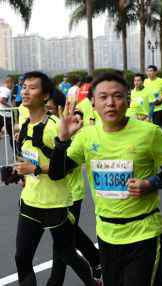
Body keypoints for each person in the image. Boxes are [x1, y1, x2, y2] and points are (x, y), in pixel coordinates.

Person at [48, 72, 162, 286]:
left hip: (144, 232)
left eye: (117, 96)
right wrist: (62, 141)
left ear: (128, 100)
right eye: (103, 97)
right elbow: (57, 173)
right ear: (92, 103)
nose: (110, 103)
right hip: (106, 234)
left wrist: (151, 184)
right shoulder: (86, 136)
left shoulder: (149, 133)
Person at [13, 71, 99, 286]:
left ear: (45, 96)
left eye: (32, 87)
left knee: (67, 254)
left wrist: (35, 169)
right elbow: (26, 158)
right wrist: (17, 173)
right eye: (24, 86)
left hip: (56, 204)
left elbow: (63, 170)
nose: (25, 91)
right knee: (21, 258)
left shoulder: (54, 126)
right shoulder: (23, 124)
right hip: (30, 201)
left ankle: (94, 282)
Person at [45, 95, 102, 284]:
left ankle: (57, 281)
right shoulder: (45, 128)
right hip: (52, 194)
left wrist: (37, 169)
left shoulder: (76, 131)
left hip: (71, 193)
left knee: (62, 242)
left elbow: (65, 165)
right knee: (68, 236)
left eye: (50, 108)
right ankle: (96, 260)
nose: (48, 111)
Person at [145, 65, 162, 130]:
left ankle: (161, 138)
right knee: (148, 125)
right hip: (148, 107)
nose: (149, 73)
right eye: (147, 71)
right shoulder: (145, 81)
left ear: (155, 72)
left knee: (157, 126)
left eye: (151, 71)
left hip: (159, 107)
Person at [0, 75, 15, 147]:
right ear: (9, 83)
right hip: (6, 114)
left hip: (1, 112)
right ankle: (16, 152)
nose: (13, 85)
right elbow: (2, 100)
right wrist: (11, 107)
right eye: (13, 83)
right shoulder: (7, 91)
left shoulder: (1, 89)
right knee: (12, 134)